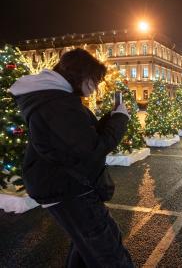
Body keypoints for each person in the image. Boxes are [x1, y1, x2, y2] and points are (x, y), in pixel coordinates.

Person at [10, 48, 134, 267]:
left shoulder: (54, 98)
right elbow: (91, 150)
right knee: (109, 254)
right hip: (70, 189)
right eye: (94, 80)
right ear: (81, 74)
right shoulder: (57, 104)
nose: (95, 87)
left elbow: (80, 137)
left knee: (88, 248)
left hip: (65, 186)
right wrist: (120, 120)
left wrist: (113, 117)